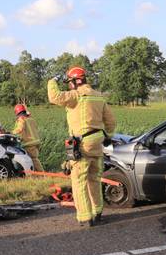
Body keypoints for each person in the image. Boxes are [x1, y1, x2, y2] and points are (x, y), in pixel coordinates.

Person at [48, 66, 116, 227]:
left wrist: (52, 81)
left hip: (82, 144)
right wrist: (109, 136)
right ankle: (97, 211)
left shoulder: (75, 95)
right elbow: (111, 121)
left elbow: (54, 97)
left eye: (69, 82)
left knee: (79, 180)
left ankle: (85, 217)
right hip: (98, 142)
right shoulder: (99, 97)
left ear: (74, 82)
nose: (68, 85)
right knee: (94, 179)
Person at [12, 104, 43, 171]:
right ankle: (37, 175)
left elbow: (19, 129)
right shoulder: (31, 119)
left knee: (33, 160)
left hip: (29, 143)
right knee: (33, 159)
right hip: (35, 142)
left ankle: (42, 175)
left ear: (17, 113)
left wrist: (11, 133)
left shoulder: (21, 119)